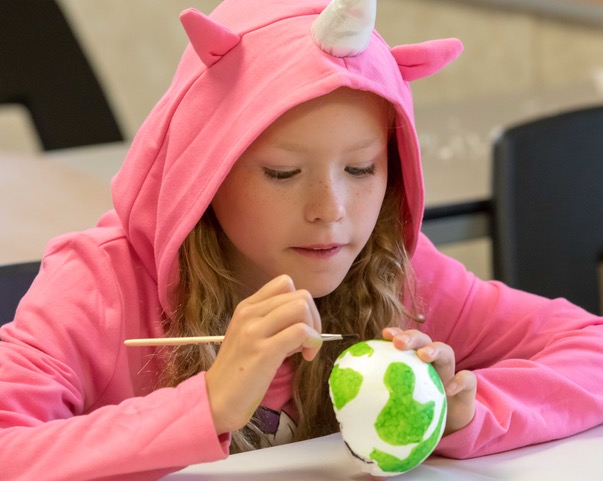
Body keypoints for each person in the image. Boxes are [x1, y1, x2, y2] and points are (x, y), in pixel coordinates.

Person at [1, 1, 602, 479]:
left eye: (362, 169)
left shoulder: (398, 271)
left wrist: (466, 411)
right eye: (283, 173)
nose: (330, 211)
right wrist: (208, 404)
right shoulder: (98, 287)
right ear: (204, 171)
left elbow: (590, 347)